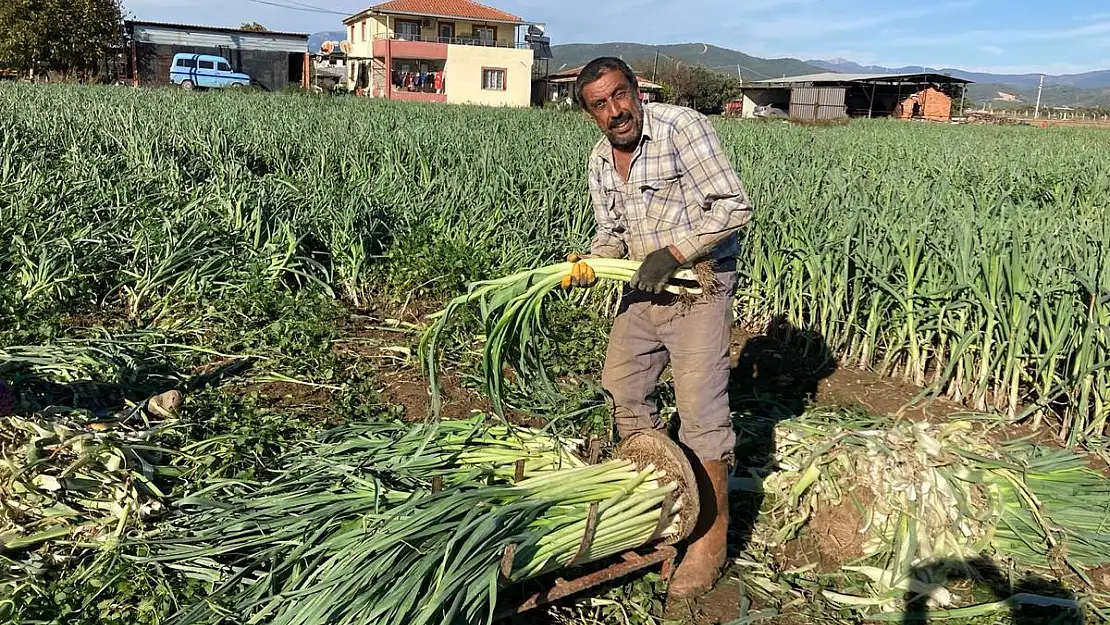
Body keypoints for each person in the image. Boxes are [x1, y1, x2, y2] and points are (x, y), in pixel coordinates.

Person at [562, 57, 755, 601]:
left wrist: (674, 254)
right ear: (589, 114)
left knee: (700, 414)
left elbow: (734, 207)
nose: (614, 111)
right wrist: (588, 264)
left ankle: (710, 542)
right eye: (599, 105)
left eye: (620, 95)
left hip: (698, 282)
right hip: (642, 285)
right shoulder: (601, 159)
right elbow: (613, 234)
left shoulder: (681, 127)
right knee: (622, 387)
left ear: (636, 90)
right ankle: (655, 500)